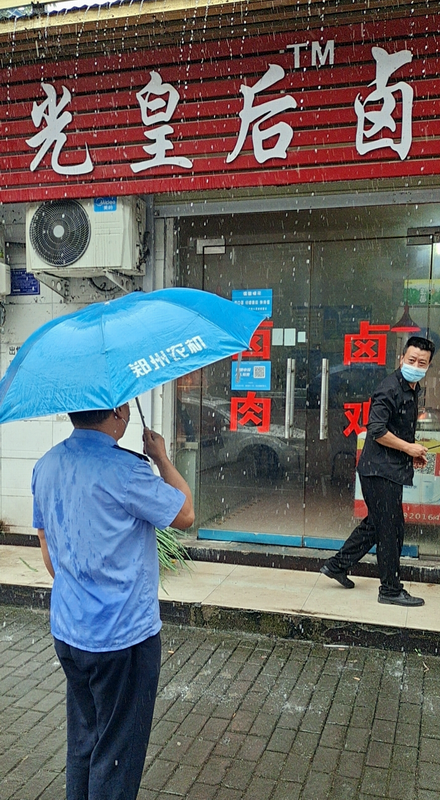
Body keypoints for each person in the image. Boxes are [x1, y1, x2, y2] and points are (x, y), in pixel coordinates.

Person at [32, 403, 194, 800]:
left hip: (70, 632)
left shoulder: (47, 464)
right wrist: (161, 458)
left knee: (85, 740)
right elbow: (186, 512)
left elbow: (46, 546)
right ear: (120, 411)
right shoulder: (126, 469)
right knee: (117, 754)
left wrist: (81, 587)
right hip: (123, 639)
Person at [320, 335, 436, 607]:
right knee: (391, 529)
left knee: (377, 524)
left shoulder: (411, 387)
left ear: (428, 365)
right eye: (411, 360)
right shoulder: (390, 389)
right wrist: (409, 449)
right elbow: (378, 430)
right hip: (379, 470)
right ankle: (390, 589)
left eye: (422, 362)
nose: (416, 365)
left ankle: (338, 565)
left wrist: (411, 453)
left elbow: (397, 430)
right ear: (401, 359)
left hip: (387, 468)